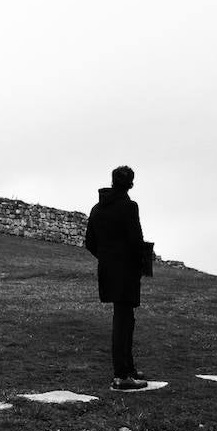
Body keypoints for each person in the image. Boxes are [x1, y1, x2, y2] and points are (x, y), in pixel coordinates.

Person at [84, 165, 149, 390]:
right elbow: (135, 241)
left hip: (108, 271)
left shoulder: (97, 209)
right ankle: (122, 375)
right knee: (123, 322)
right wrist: (139, 262)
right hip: (126, 271)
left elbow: (89, 242)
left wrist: (107, 258)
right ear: (130, 184)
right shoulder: (129, 207)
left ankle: (128, 367)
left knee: (125, 319)